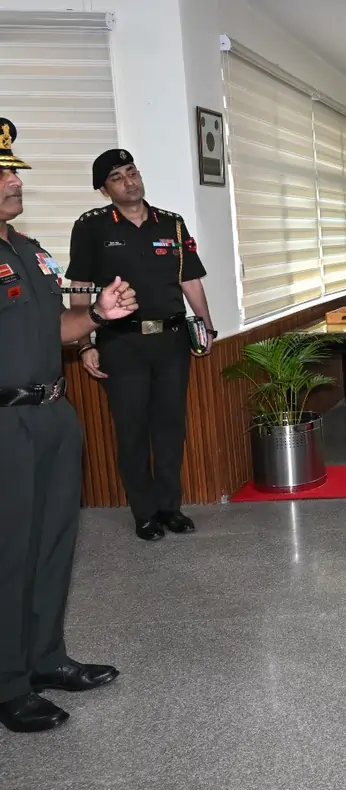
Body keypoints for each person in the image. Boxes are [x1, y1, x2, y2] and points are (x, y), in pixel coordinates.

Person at [0, 118, 138, 733]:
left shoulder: (27, 250)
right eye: (1, 175)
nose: (12, 182)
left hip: (53, 413)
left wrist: (99, 317)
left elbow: (57, 327)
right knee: (9, 554)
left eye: (12, 171)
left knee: (55, 544)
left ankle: (46, 659)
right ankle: (8, 683)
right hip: (4, 423)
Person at [65, 150, 215, 542]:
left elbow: (191, 281)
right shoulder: (91, 227)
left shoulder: (172, 223)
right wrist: (84, 344)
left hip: (171, 340)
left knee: (170, 428)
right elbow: (80, 293)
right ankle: (144, 513)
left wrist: (207, 329)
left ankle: (170, 507)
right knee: (131, 431)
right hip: (122, 343)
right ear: (103, 189)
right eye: (117, 177)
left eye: (132, 172)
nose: (129, 181)